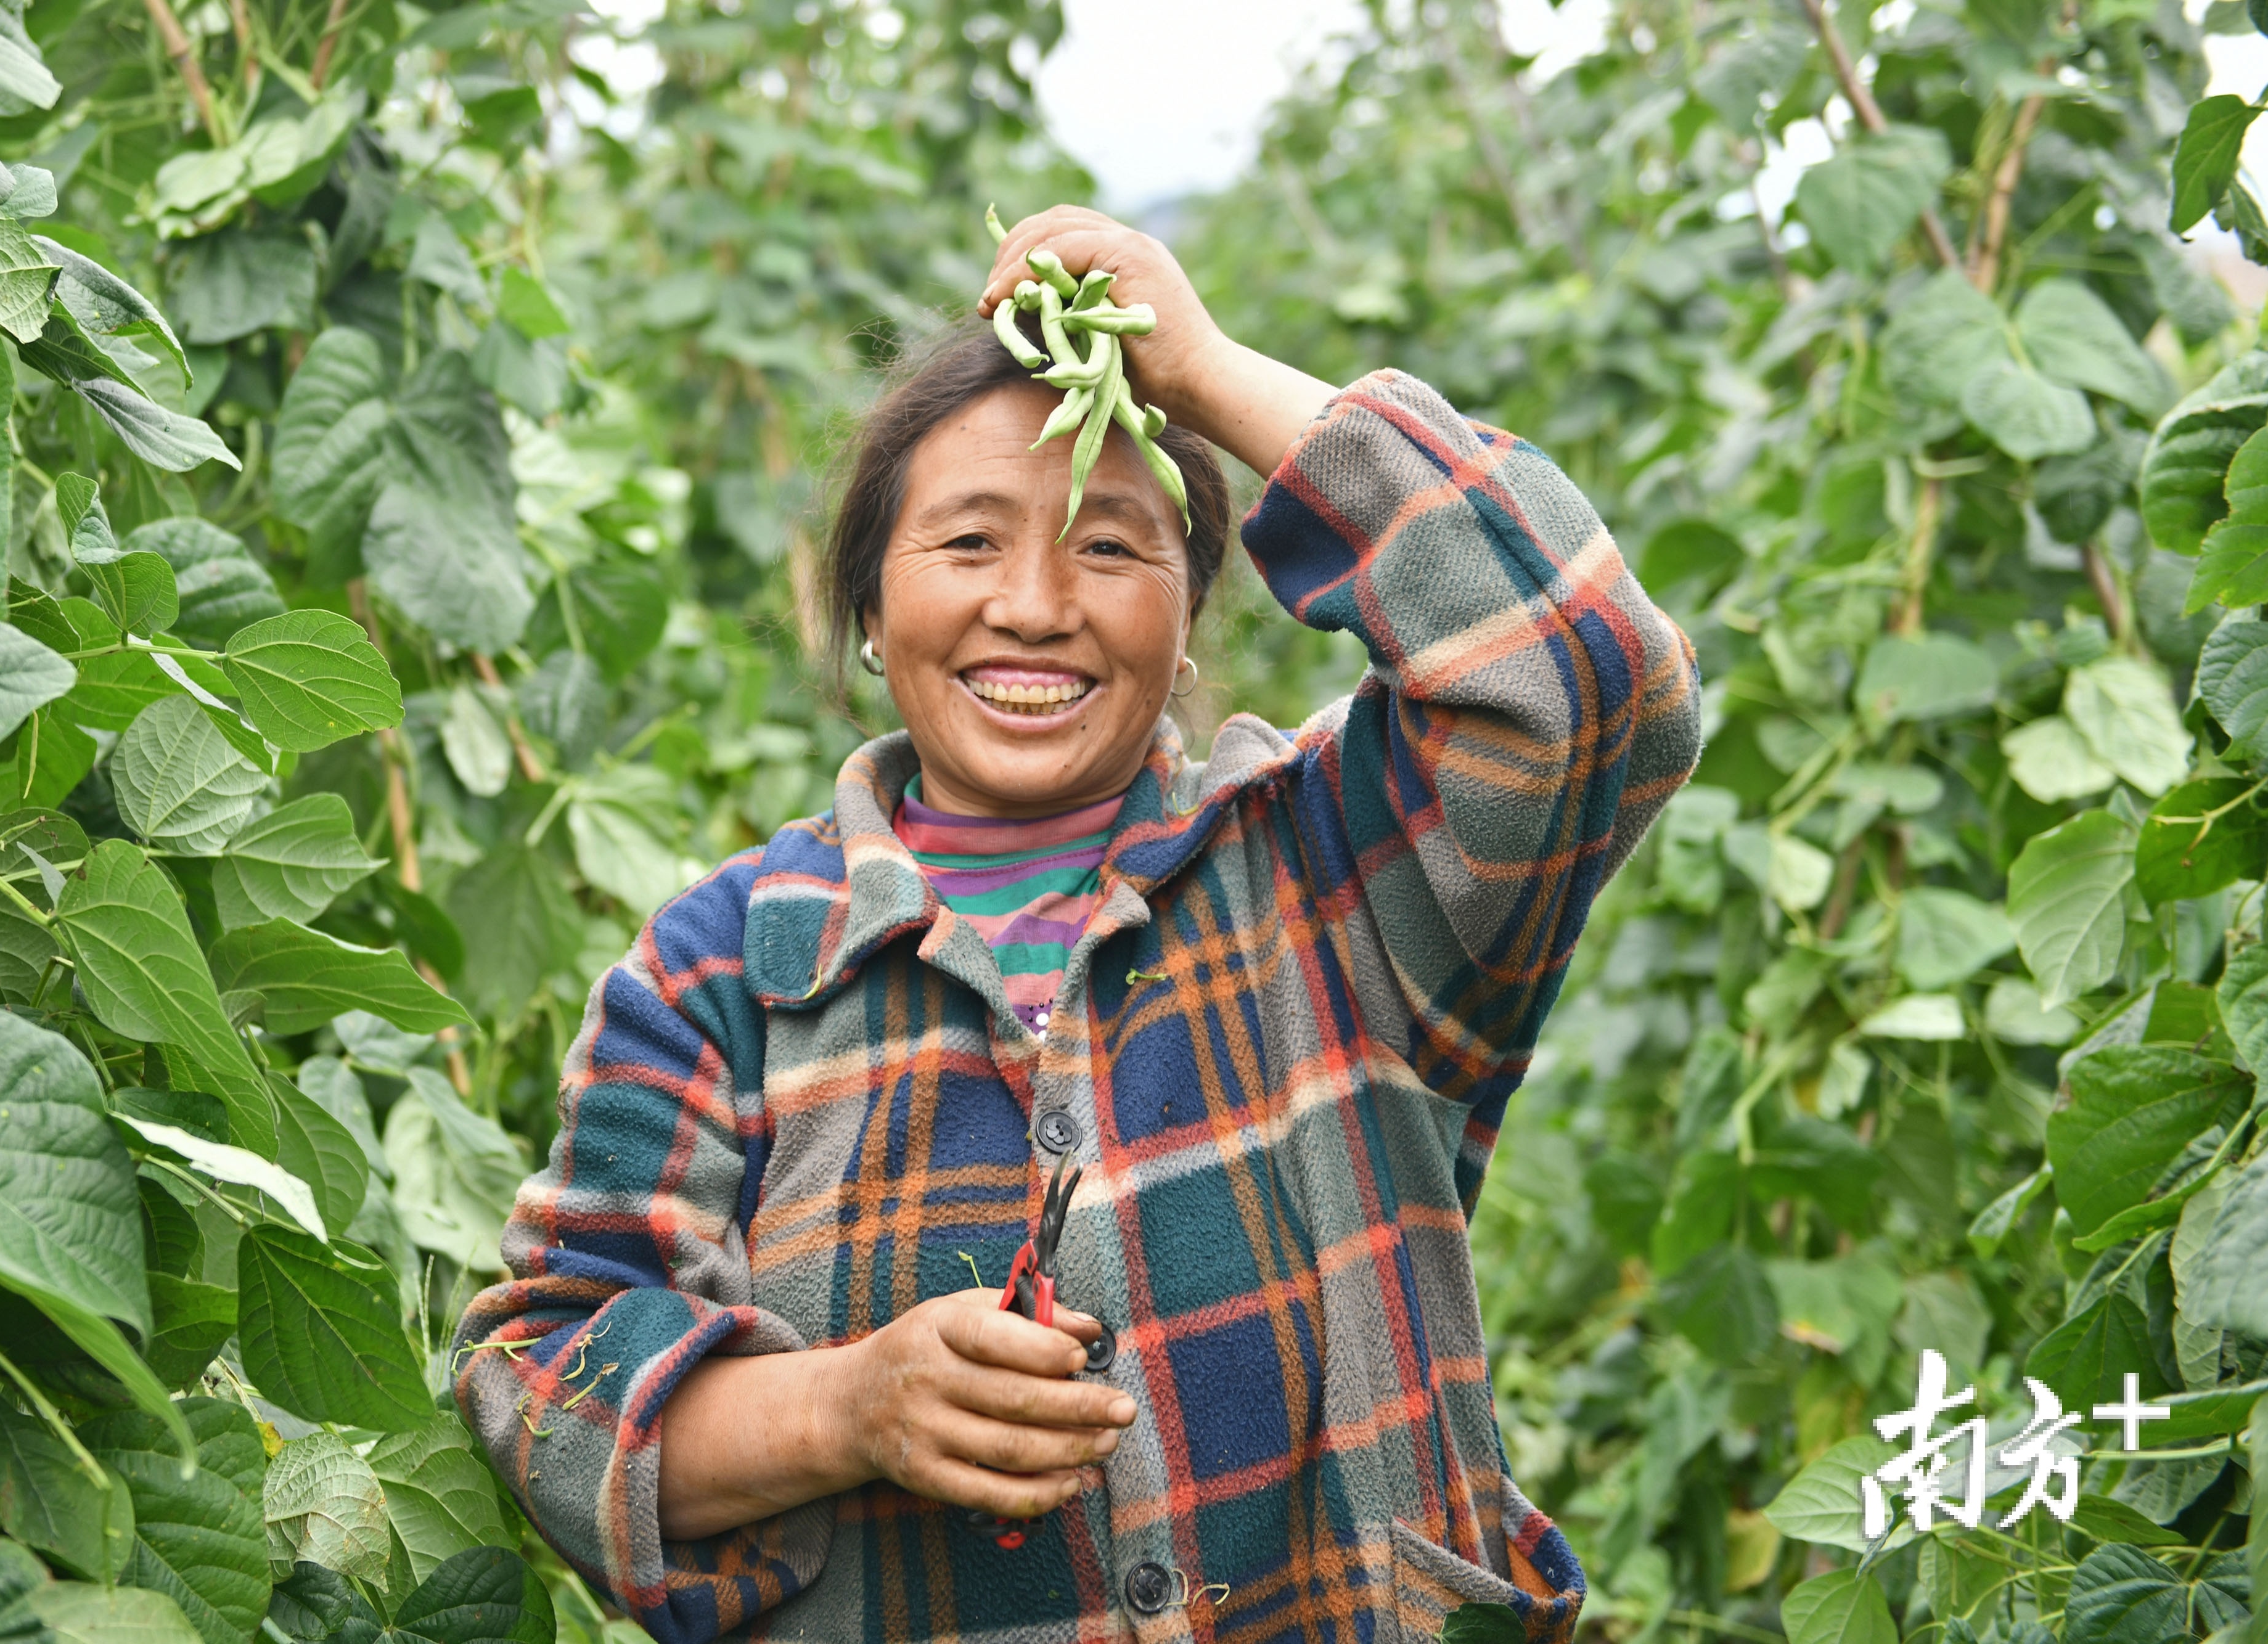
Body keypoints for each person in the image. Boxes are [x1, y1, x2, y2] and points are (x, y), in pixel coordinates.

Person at [452, 205, 1701, 1644]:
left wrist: (1205, 368)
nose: (1035, 606)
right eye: (967, 540)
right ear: (868, 602)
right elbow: (540, 1375)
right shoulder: (721, 970)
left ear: (1190, 609)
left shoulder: (1333, 867)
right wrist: (844, 1408)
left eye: (1109, 546)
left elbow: (1590, 672)